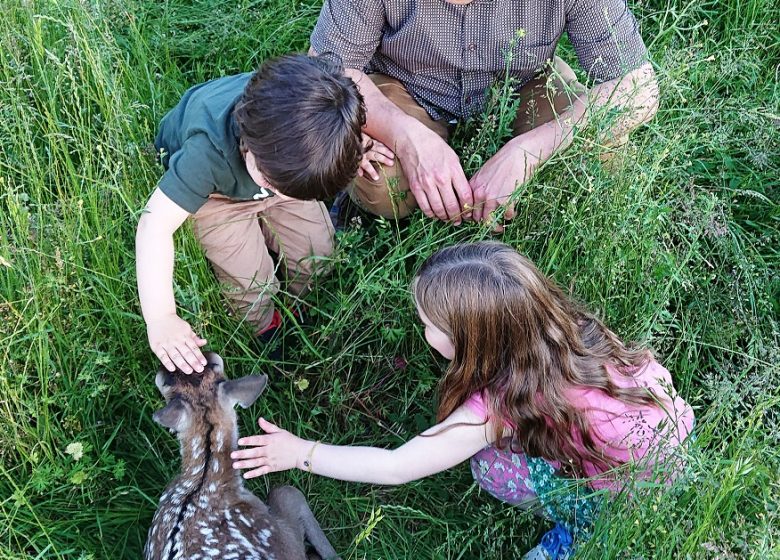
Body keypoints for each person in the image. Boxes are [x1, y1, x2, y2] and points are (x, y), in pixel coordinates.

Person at [230, 241, 695, 559]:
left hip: (627, 502)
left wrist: (300, 453)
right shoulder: (568, 330)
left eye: (431, 325)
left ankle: (577, 534)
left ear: (472, 340)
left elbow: (397, 466)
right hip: (668, 448)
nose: (423, 330)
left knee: (488, 466)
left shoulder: (501, 405)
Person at [136, 54, 393, 374]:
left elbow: (338, 117)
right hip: (217, 197)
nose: (277, 195)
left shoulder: (307, 137)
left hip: (288, 172)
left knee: (320, 253)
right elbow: (154, 226)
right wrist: (161, 317)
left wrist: (353, 146)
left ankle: (306, 306)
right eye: (270, 183)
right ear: (248, 141)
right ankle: (265, 325)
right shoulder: (206, 152)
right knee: (248, 286)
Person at [310, 0, 660, 228]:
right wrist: (404, 135)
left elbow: (638, 87)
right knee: (383, 185)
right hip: (404, 84)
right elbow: (326, 69)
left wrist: (531, 151)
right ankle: (358, 210)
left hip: (520, 84)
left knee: (601, 155)